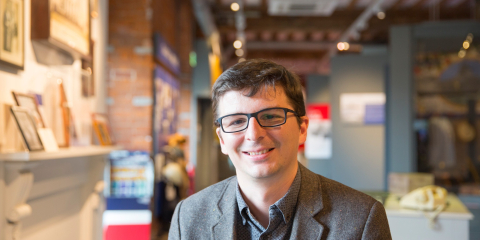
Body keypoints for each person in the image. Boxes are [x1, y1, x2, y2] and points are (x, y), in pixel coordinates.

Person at [169, 59, 392, 239]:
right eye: (236, 121)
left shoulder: (361, 219)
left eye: (271, 117)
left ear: (302, 128)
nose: (253, 134)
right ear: (222, 139)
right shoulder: (189, 216)